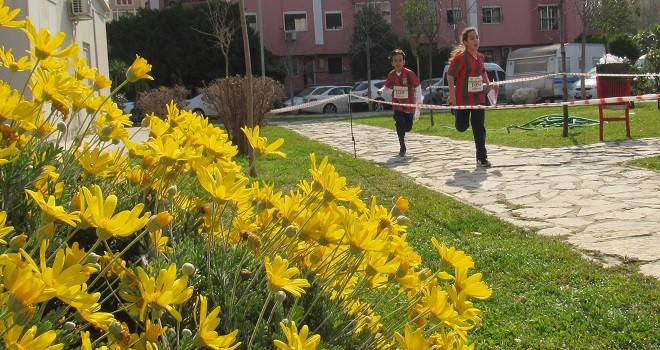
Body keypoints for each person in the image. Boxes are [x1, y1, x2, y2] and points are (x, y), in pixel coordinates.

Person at [446, 27, 497, 167]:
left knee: (479, 127)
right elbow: (450, 75)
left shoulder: (479, 58)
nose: (476, 40)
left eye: (477, 37)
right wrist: (452, 95)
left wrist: (489, 84)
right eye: (472, 38)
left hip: (478, 98)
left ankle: (482, 158)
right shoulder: (461, 59)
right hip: (463, 98)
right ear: (465, 42)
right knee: (462, 127)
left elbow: (483, 72)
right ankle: (456, 112)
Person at [378, 49, 422, 157]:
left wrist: (418, 101)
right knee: (399, 124)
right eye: (395, 60)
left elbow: (418, 86)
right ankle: (402, 146)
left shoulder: (409, 74)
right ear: (392, 63)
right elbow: (387, 86)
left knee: (407, 127)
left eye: (400, 60)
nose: (398, 62)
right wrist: (381, 91)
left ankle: (405, 126)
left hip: (409, 105)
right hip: (397, 105)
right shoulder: (391, 75)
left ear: (404, 62)